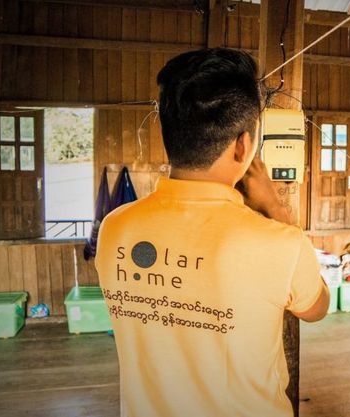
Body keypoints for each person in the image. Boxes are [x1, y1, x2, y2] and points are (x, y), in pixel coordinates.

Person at [95, 48, 329, 417]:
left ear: (169, 135)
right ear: (243, 145)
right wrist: (276, 209)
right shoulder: (280, 241)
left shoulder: (115, 227)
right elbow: (316, 309)